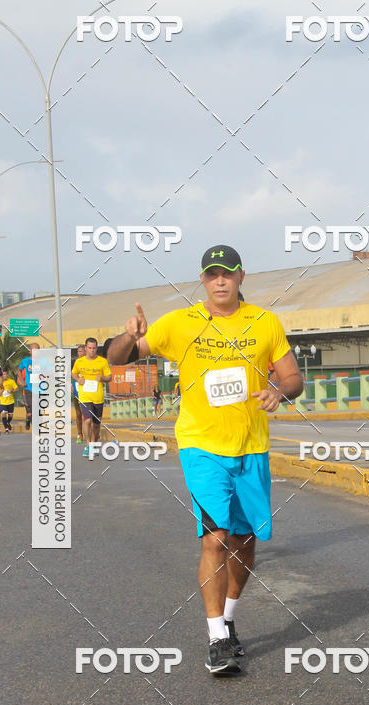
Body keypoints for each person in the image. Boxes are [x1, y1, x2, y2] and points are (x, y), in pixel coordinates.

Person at [108, 245, 303, 675]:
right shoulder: (180, 323)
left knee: (244, 542)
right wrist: (129, 335)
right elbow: (116, 359)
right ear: (202, 279)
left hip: (251, 446)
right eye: (213, 274)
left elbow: (293, 376)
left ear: (240, 277)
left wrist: (278, 391)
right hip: (200, 444)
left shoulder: (264, 322)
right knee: (215, 538)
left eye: (228, 274)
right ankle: (216, 638)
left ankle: (229, 618)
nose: (220, 281)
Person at [71, 337, 112, 458]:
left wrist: (102, 378)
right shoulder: (79, 362)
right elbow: (73, 373)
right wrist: (78, 379)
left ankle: (94, 444)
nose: (92, 350)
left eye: (94, 348)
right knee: (87, 420)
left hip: (98, 397)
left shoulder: (102, 362)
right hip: (84, 396)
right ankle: (88, 445)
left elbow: (109, 377)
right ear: (85, 348)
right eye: (89, 348)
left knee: (96, 424)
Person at [17, 342, 40, 430]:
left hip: (40, 390)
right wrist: (21, 381)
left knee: (36, 412)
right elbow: (18, 371)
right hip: (28, 390)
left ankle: (36, 427)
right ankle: (36, 430)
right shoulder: (25, 361)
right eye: (33, 350)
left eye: (37, 350)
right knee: (32, 412)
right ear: (29, 351)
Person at [72, 344, 85, 443]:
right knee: (78, 413)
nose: (79, 353)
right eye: (78, 352)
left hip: (86, 391)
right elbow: (71, 375)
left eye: (80, 351)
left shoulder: (88, 362)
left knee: (87, 414)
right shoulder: (75, 362)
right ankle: (80, 434)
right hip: (76, 391)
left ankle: (89, 432)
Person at [0, 368, 18, 433]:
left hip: (11, 401)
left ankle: (8, 422)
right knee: (3, 414)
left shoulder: (11, 381)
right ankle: (6, 429)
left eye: (6, 374)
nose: (5, 375)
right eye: (4, 374)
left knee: (10, 416)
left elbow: (16, 389)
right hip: (3, 402)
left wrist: (11, 391)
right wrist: (0, 392)